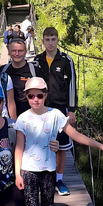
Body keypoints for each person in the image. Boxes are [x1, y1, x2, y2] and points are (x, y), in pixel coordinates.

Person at [14, 77, 103, 206]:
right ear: (27, 96)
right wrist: (18, 174)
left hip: (48, 169)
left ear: (45, 95)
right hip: (28, 170)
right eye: (31, 96)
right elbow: (19, 148)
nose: (35, 99)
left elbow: (76, 135)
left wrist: (100, 145)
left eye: (40, 95)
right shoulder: (22, 118)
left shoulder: (55, 115)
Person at [34, 26, 77, 196]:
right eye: (47, 39)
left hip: (61, 108)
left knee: (62, 146)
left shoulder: (67, 60)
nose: (50, 43)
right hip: (42, 108)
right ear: (42, 41)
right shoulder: (37, 60)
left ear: (57, 40)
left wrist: (72, 110)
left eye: (53, 39)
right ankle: (44, 178)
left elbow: (72, 85)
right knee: (42, 142)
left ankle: (59, 179)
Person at [0, 38, 43, 116]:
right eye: (13, 51)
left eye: (20, 51)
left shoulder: (34, 70)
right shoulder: (3, 70)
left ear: (26, 51)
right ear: (9, 52)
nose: (17, 53)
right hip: (8, 115)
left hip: (30, 114)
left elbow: (43, 93)